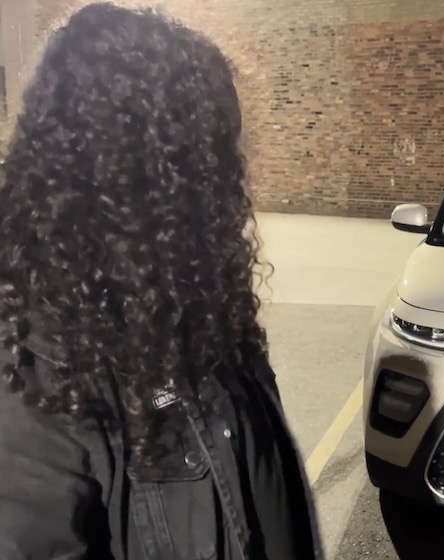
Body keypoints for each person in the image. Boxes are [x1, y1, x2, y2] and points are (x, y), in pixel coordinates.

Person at [0, 4, 323, 559]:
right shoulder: (35, 377)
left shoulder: (195, 315)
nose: (238, 173)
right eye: (218, 155)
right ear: (153, 176)